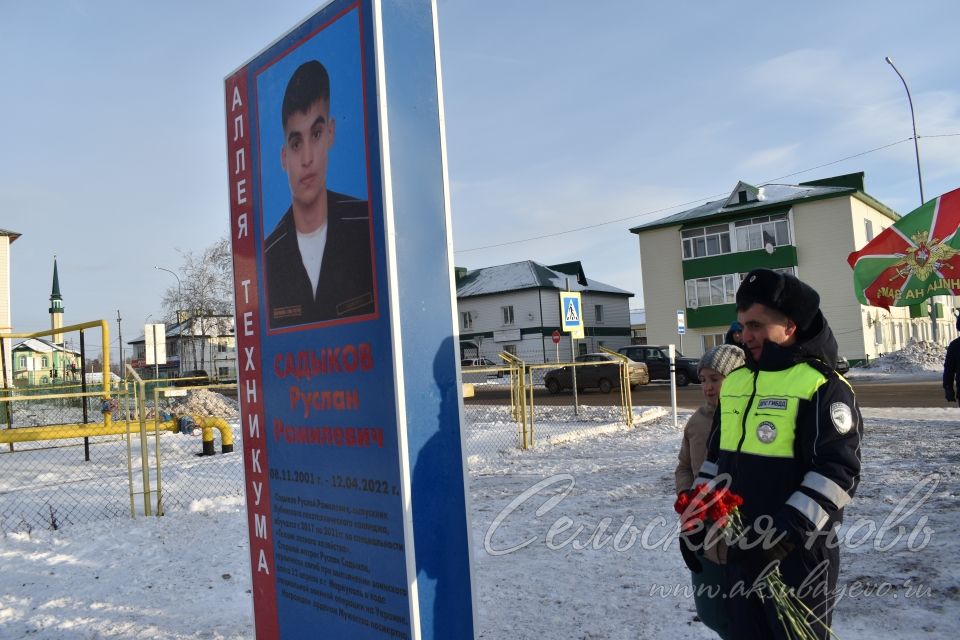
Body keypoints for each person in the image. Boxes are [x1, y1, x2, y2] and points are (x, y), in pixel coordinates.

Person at [691, 268, 862, 639]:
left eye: (755, 325)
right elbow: (716, 458)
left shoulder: (824, 385)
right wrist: (696, 514)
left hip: (798, 553)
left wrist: (782, 535)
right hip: (741, 547)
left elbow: (838, 472)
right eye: (741, 325)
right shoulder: (736, 381)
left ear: (790, 325)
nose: (743, 336)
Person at [264, 60, 375, 329]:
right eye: (295, 143)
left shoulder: (369, 226)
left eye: (315, 134)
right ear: (283, 157)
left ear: (331, 133)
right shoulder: (268, 257)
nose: (307, 158)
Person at [675, 343, 744, 640]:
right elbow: (684, 466)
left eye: (716, 379)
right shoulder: (697, 421)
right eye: (703, 380)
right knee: (712, 612)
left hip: (741, 530)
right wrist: (687, 497)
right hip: (702, 530)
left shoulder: (746, 419)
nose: (708, 387)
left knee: (742, 615)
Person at [942, 314, 960, 406]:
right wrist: (948, 387)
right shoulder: (955, 346)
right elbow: (949, 368)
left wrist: (948, 387)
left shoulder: (955, 345)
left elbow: (949, 369)